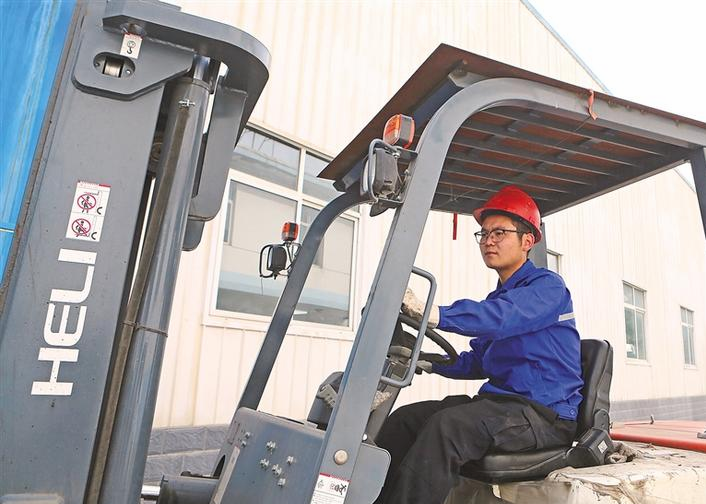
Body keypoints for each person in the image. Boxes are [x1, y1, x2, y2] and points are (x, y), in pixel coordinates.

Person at [374, 185, 584, 504]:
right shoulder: (500, 299)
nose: (488, 241)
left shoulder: (547, 288)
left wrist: (433, 313)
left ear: (527, 241)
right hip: (502, 408)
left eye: (499, 233)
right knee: (406, 419)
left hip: (544, 415)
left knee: (448, 427)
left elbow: (501, 317)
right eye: (484, 234)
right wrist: (426, 359)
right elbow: (478, 361)